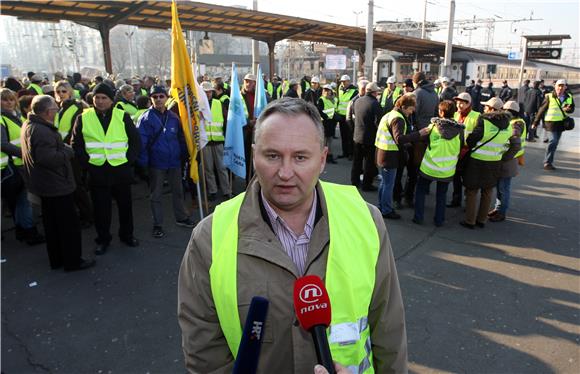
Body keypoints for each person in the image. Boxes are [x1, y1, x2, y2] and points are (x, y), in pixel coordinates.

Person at [178, 97, 407, 373]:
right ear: (254, 155)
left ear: (322, 160)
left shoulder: (366, 219)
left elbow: (388, 329)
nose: (285, 173)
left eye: (300, 157)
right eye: (272, 156)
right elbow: (205, 355)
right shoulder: (209, 238)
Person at [20, 95, 95, 271]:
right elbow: (48, 159)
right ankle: (73, 261)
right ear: (47, 112)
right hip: (56, 185)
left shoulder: (30, 125)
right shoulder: (42, 131)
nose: (57, 111)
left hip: (46, 184)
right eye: (55, 109)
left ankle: (58, 259)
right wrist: (66, 153)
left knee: (52, 226)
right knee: (68, 227)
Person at [71, 83, 141, 255]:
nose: (100, 101)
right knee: (101, 209)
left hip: (120, 169)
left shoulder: (122, 116)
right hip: (97, 171)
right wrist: (87, 164)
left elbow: (135, 142)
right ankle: (103, 239)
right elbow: (76, 144)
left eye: (104, 98)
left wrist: (128, 162)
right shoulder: (83, 117)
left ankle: (127, 235)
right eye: (97, 98)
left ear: (111, 100)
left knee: (125, 206)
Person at [137, 85, 194, 239]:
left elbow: (181, 138)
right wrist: (143, 165)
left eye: (161, 96)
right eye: (155, 97)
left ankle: (181, 217)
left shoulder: (174, 117)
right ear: (151, 99)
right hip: (156, 163)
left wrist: (184, 155)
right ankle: (158, 224)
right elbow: (141, 143)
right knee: (156, 195)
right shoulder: (145, 118)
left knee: (178, 191)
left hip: (174, 161)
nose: (158, 99)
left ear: (166, 98)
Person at [460, 97, 519, 229]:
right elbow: (514, 145)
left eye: (486, 107)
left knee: (472, 190)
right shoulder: (509, 125)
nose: (484, 109)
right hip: (495, 162)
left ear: (492, 109)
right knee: (487, 191)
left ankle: (470, 221)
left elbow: (471, 140)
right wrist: (503, 157)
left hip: (477, 161)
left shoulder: (484, 122)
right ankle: (481, 220)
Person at [1, 88, 45, 245]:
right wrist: (25, 153)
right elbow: (3, 144)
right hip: (10, 167)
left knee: (20, 201)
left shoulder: (16, 116)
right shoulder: (2, 119)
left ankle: (23, 230)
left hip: (17, 165)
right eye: (4, 100)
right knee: (23, 201)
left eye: (11, 99)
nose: (8, 102)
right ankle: (29, 231)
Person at [413, 100, 464, 227]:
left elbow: (422, 138)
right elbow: (462, 145)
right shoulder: (460, 130)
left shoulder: (434, 127)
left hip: (429, 167)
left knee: (420, 191)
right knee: (441, 195)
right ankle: (439, 220)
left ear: (441, 112)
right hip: (447, 169)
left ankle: (418, 217)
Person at [54, 80, 93, 228]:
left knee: (77, 185)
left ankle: (87, 216)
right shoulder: (60, 108)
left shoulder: (75, 107)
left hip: (72, 153)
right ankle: (83, 214)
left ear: (70, 92)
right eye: (58, 91)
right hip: (64, 152)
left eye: (63, 91)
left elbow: (74, 133)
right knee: (73, 185)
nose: (60, 94)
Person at [375, 94, 420, 219]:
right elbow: (399, 139)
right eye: (411, 109)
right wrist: (418, 134)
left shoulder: (389, 114)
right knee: (389, 184)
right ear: (404, 107)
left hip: (382, 152)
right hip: (390, 155)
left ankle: (381, 206)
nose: (412, 112)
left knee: (384, 183)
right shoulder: (398, 118)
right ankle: (387, 210)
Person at [488, 100, 525, 222]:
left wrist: (504, 157)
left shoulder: (516, 124)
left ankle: (501, 212)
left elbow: (515, 142)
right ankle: (498, 209)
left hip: (508, 161)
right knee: (500, 188)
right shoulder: (514, 122)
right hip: (508, 159)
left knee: (503, 188)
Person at [532, 79, 575, 170]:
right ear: (555, 86)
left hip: (561, 123)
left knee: (555, 143)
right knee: (553, 141)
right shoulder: (549, 96)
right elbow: (541, 110)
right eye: (559, 85)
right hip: (550, 123)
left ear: (565, 87)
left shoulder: (569, 96)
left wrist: (568, 109)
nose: (560, 87)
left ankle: (549, 161)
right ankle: (547, 162)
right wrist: (535, 122)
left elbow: (572, 109)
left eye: (562, 86)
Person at [447, 92, 481, 208]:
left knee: (467, 178)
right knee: (456, 177)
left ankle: (468, 202)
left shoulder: (476, 116)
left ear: (468, 104)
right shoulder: (455, 115)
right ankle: (456, 199)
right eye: (457, 103)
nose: (458, 105)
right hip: (456, 151)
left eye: (461, 103)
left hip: (469, 152)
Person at [200, 81, 232, 201]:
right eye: (205, 92)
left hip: (218, 140)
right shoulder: (198, 105)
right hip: (205, 142)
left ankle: (227, 191)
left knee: (222, 168)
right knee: (208, 169)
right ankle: (212, 191)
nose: (207, 94)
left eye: (209, 92)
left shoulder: (219, 103)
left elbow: (225, 119)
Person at [351, 82, 381, 190]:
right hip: (370, 137)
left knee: (357, 161)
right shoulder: (374, 103)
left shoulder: (358, 101)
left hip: (357, 135)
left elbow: (353, 115)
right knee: (369, 163)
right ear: (374, 92)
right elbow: (379, 122)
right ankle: (366, 185)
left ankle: (354, 181)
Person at [336, 75, 358, 159]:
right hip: (341, 116)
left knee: (350, 136)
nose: (342, 83)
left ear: (349, 81)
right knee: (343, 135)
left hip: (349, 117)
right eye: (341, 82)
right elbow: (339, 101)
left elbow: (354, 104)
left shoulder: (354, 91)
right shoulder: (340, 89)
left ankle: (351, 153)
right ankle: (344, 152)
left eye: (344, 82)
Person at [241, 73, 257, 181]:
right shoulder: (240, 96)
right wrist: (248, 122)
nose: (247, 83)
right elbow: (237, 114)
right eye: (246, 81)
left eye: (250, 81)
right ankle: (248, 183)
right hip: (245, 132)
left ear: (255, 83)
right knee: (247, 159)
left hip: (258, 131)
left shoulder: (260, 95)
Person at [317, 84, 338, 164]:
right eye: (324, 90)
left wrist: (335, 116)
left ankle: (329, 156)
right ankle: (323, 158)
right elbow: (319, 110)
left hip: (332, 123)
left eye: (327, 90)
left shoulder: (334, 99)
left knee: (330, 140)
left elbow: (334, 109)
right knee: (325, 141)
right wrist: (326, 117)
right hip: (325, 122)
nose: (325, 91)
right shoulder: (321, 99)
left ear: (330, 91)